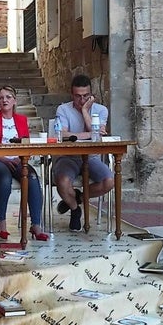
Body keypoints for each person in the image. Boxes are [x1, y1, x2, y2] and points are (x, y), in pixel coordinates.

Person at [0, 85, 48, 241]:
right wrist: (2, 157)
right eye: (1, 97)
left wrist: (19, 157)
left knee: (31, 177)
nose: (4, 100)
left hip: (17, 159)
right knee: (4, 177)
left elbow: (25, 144)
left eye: (8, 97)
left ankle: (36, 225)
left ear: (15, 101)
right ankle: (1, 222)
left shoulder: (22, 120)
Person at [53, 74, 114, 232]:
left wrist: (85, 111)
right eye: (78, 96)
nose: (82, 100)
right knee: (63, 181)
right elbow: (63, 134)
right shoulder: (63, 109)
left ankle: (78, 197)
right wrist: (89, 135)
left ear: (91, 94)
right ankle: (74, 208)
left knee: (109, 181)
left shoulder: (101, 110)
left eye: (86, 96)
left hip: (91, 156)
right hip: (69, 157)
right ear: (72, 94)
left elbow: (98, 135)